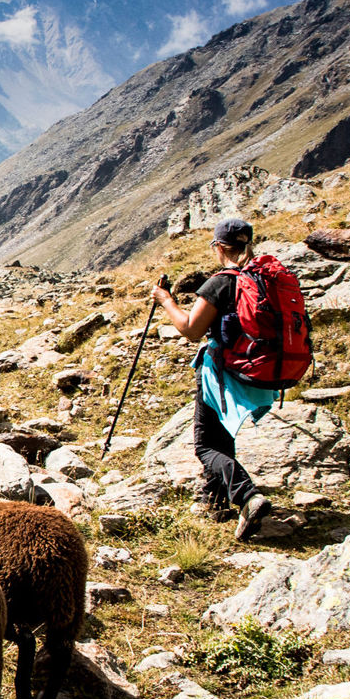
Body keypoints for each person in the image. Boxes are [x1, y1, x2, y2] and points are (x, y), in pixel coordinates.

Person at [149, 218, 275, 540]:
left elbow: (191, 329)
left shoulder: (220, 283)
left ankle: (247, 496)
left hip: (224, 372)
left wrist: (166, 301)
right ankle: (216, 501)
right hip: (258, 368)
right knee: (221, 436)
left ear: (219, 247)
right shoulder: (263, 277)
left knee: (205, 445)